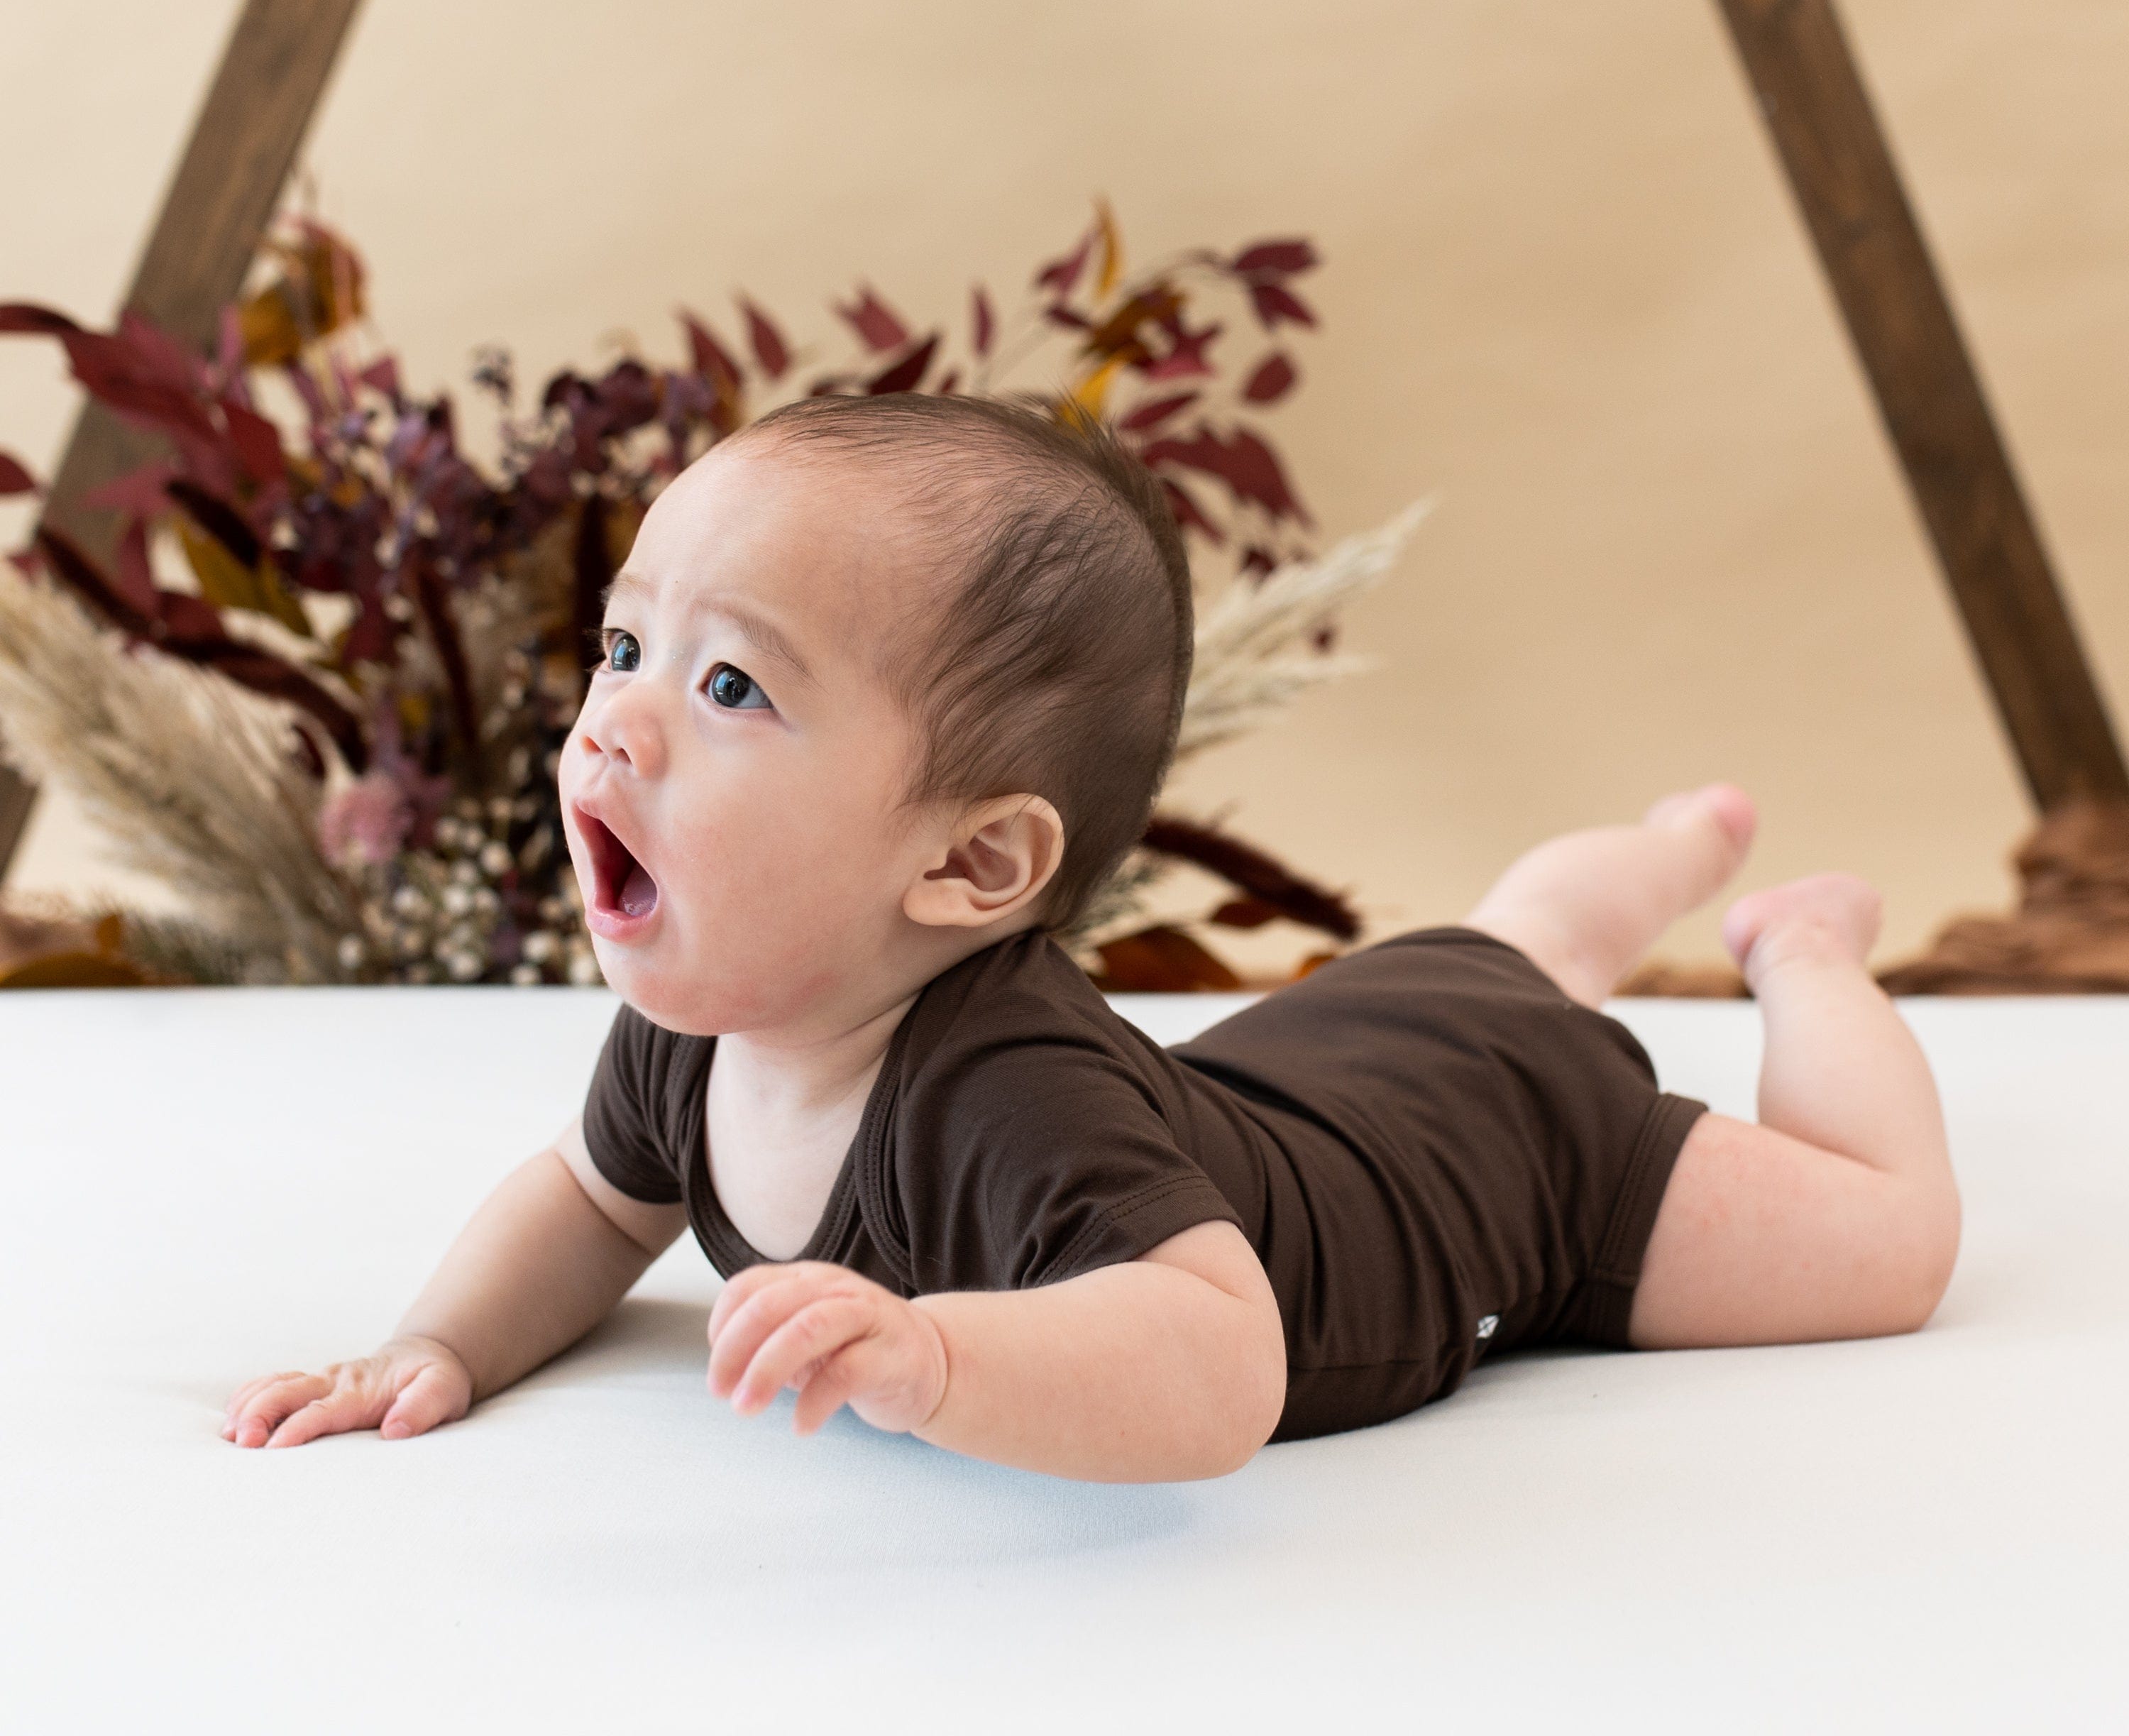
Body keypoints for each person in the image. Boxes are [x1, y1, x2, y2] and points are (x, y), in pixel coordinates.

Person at [223, 395, 1961, 1481]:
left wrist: (943, 1356)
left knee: (1879, 1246)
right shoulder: (715, 1017)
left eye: (731, 683)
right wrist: (441, 1341)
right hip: (1345, 1056)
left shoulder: (1009, 1100)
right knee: (1500, 952)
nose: (616, 725)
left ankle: (1797, 951)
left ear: (974, 863)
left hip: (1506, 1176)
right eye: (623, 649)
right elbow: (591, 1204)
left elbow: (1223, 1360)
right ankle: (1659, 851)